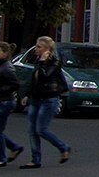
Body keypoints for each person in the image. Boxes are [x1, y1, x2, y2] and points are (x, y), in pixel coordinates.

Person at [21, 37, 70, 168]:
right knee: (32, 131)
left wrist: (43, 61)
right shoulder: (37, 61)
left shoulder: (54, 62)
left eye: (39, 47)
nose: (36, 49)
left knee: (41, 129)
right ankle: (35, 159)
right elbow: (34, 80)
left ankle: (63, 147)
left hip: (49, 99)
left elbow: (45, 76)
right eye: (36, 46)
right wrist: (27, 95)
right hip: (36, 99)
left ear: (47, 50)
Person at [0, 42, 22, 168]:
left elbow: (15, 84)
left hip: (5, 102)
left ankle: (1, 158)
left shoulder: (7, 68)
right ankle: (14, 147)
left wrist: (1, 90)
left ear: (5, 54)